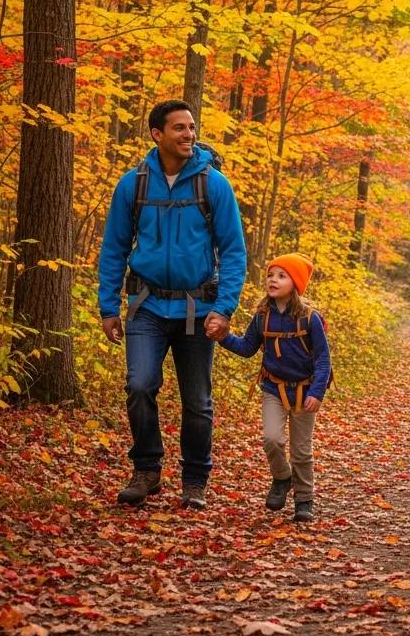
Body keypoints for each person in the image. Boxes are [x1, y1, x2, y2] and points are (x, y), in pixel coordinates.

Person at [99, 100, 247, 510]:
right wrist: (108, 307)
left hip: (198, 310)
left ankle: (195, 480)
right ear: (156, 134)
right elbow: (113, 248)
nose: (189, 135)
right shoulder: (133, 185)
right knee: (140, 385)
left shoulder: (213, 184)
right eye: (179, 128)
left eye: (192, 127)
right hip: (146, 306)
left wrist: (224, 307)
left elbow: (233, 251)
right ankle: (146, 470)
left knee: (197, 401)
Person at [210, 253, 330, 523]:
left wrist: (317, 393)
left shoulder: (310, 319)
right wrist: (223, 337)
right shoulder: (262, 316)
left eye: (281, 275)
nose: (273, 280)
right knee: (272, 439)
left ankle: (304, 500)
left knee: (301, 450)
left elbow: (323, 359)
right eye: (270, 275)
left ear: (296, 283)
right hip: (273, 388)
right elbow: (247, 347)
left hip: (304, 391)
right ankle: (281, 478)